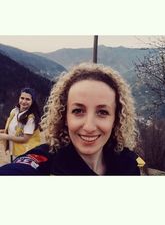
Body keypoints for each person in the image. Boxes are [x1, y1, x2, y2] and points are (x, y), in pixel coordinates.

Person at [0, 63, 145, 175]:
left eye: (102, 112)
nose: (89, 127)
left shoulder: (129, 163)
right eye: (78, 111)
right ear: (64, 117)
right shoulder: (46, 163)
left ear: (116, 119)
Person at [0, 88, 43, 162]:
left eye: (27, 99)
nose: (24, 101)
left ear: (32, 101)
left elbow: (25, 139)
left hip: (25, 152)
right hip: (14, 149)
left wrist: (5, 136)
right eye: (22, 98)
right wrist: (2, 131)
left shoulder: (31, 118)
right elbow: (13, 129)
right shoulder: (14, 111)